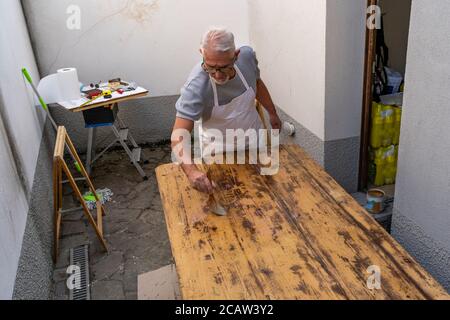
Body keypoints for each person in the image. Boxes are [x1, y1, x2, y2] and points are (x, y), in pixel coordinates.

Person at [171, 27, 281, 194]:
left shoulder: (247, 58)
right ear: (202, 53)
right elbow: (178, 135)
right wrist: (192, 171)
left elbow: (257, 83)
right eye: (210, 67)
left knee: (265, 193)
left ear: (236, 56)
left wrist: (272, 113)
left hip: (254, 141)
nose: (217, 74)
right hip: (219, 152)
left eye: (223, 67)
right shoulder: (196, 86)